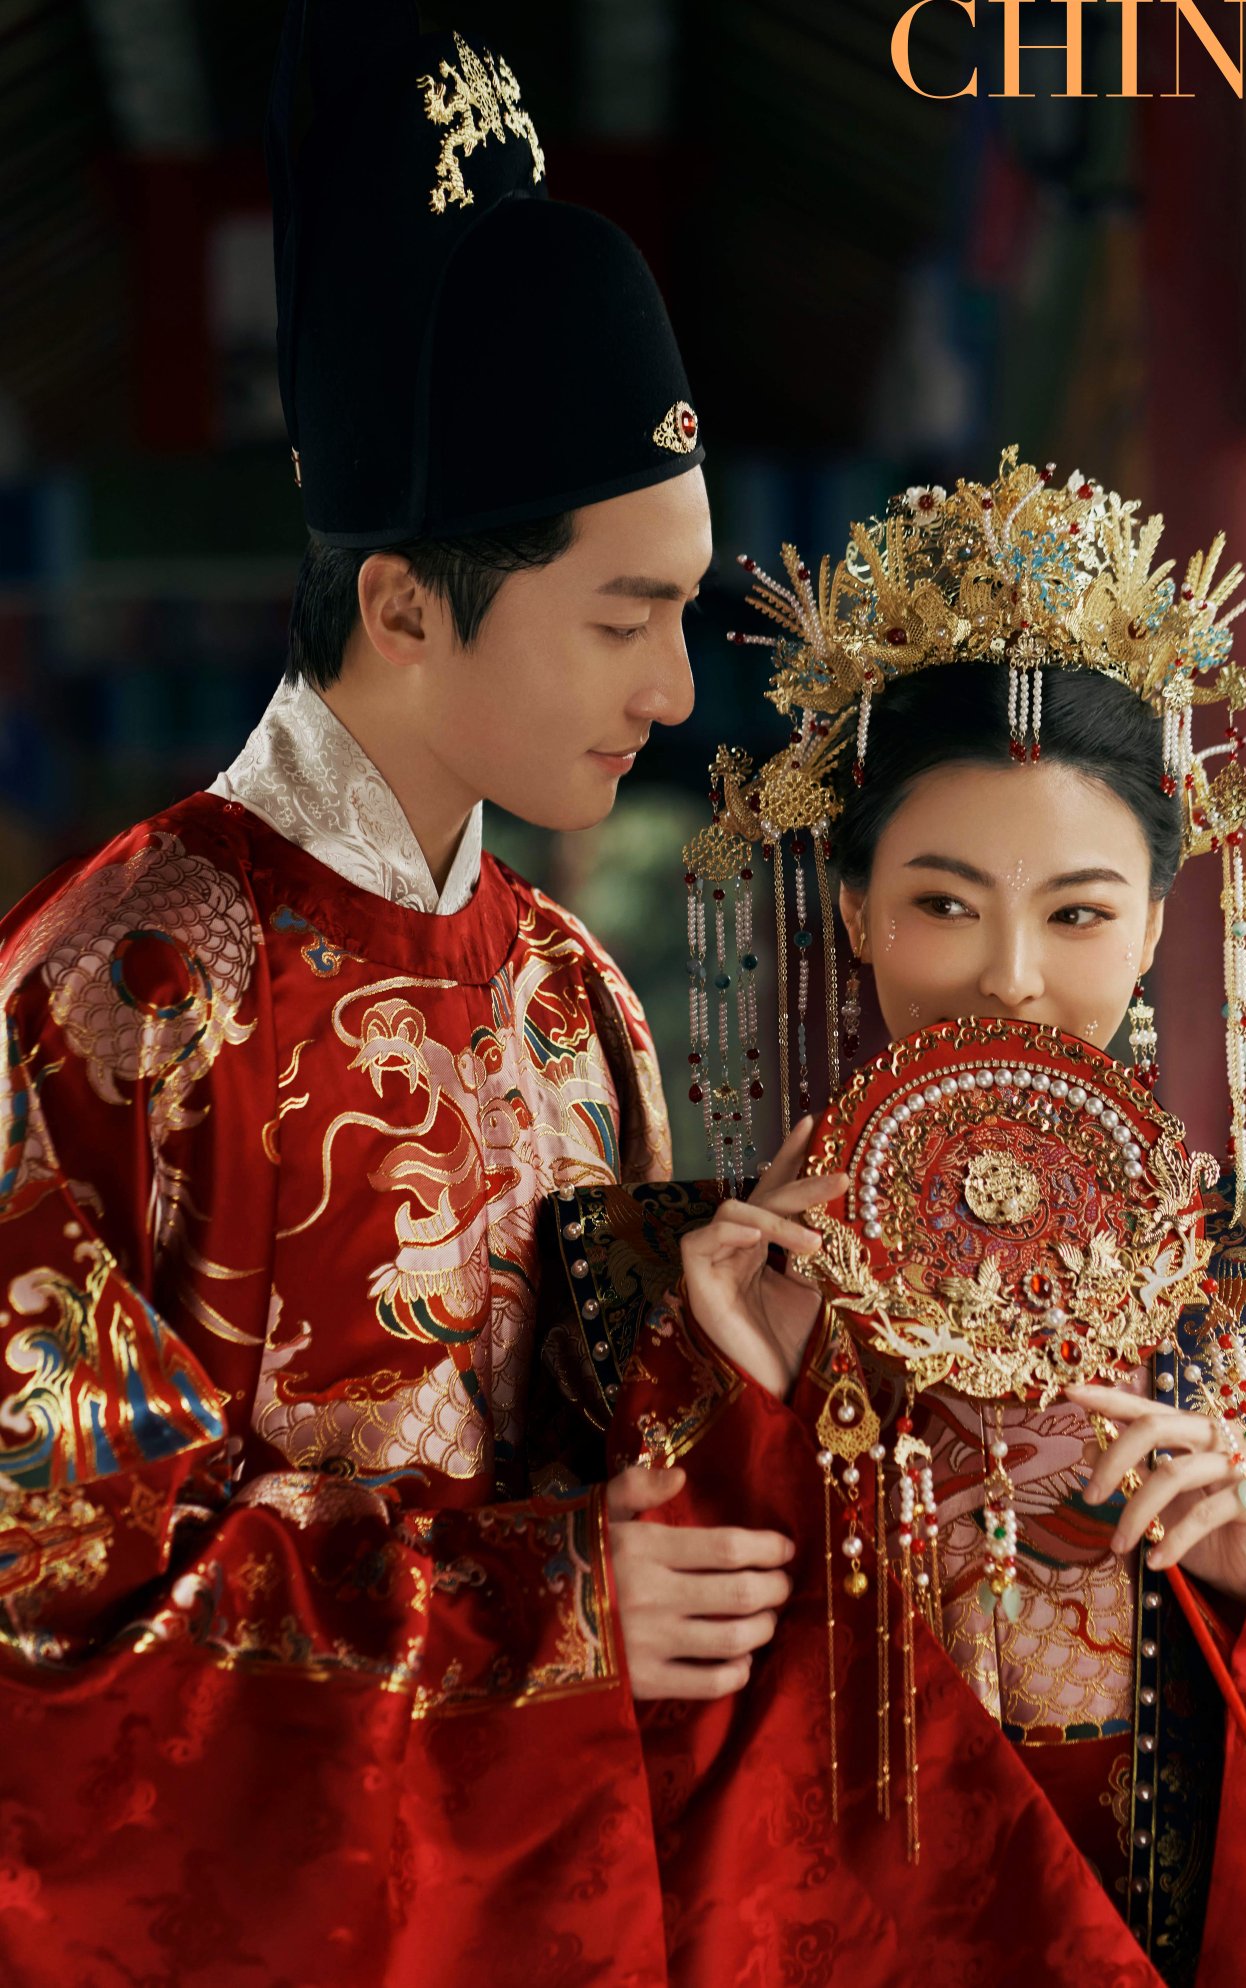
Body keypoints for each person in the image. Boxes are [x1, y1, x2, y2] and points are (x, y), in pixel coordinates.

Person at [0, 13, 801, 1985]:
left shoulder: (577, 999)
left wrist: (745, 1372)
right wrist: (549, 1613)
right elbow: (48, 1589)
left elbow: (633, 1492)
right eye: (622, 615)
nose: (674, 687)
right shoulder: (116, 993)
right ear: (402, 604)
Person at [546, 455, 1246, 1985]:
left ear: (1156, 927)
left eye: (1078, 912)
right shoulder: (649, 1284)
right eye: (944, 903)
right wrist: (736, 1404)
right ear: (852, 908)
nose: (1011, 977)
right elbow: (596, 1805)